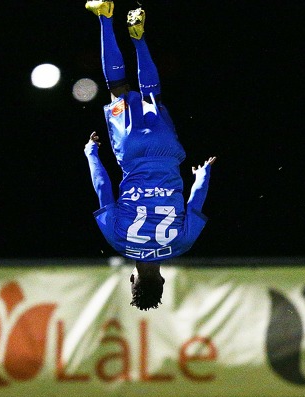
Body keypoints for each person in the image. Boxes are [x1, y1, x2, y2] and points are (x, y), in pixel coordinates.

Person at [83, 1, 216, 311]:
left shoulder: (182, 244)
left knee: (151, 95)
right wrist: (92, 153)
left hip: (167, 151)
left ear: (163, 280)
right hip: (130, 151)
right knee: (117, 87)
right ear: (133, 279)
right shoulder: (118, 241)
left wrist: (202, 176)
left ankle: (139, 39)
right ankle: (104, 17)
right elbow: (103, 189)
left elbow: (197, 201)